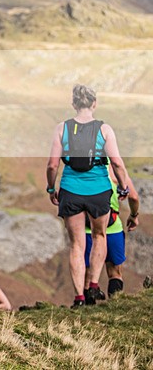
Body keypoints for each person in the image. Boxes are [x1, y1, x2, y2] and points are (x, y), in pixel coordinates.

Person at [46, 84, 132, 307]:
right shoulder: (105, 130)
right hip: (99, 191)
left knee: (76, 245)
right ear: (95, 103)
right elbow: (117, 163)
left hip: (70, 190)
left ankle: (79, 297)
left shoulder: (61, 128)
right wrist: (123, 187)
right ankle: (94, 284)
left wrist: (50, 188)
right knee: (99, 236)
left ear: (73, 104)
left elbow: (52, 164)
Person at [85, 178, 141, 298]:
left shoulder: (76, 168)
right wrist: (133, 215)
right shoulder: (115, 170)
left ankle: (85, 310)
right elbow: (134, 197)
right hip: (112, 227)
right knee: (115, 272)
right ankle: (115, 305)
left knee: (87, 274)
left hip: (87, 229)